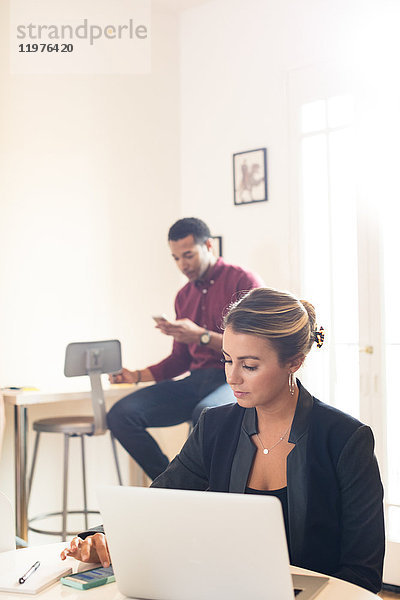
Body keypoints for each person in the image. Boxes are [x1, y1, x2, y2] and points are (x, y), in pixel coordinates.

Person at [61, 287, 385, 594]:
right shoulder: (215, 426)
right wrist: (104, 537)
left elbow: (362, 573)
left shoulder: (345, 439)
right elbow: (158, 503)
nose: (232, 376)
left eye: (250, 365)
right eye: (228, 360)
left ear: (295, 362)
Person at [107, 217, 263, 480]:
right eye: (176, 258)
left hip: (234, 378)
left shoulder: (243, 280)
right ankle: (172, 483)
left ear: (209, 246)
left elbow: (256, 344)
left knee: (205, 414)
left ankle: (197, 491)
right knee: (121, 415)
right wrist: (135, 376)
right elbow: (178, 360)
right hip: (196, 381)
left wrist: (201, 337)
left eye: (188, 255)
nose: (183, 265)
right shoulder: (183, 296)